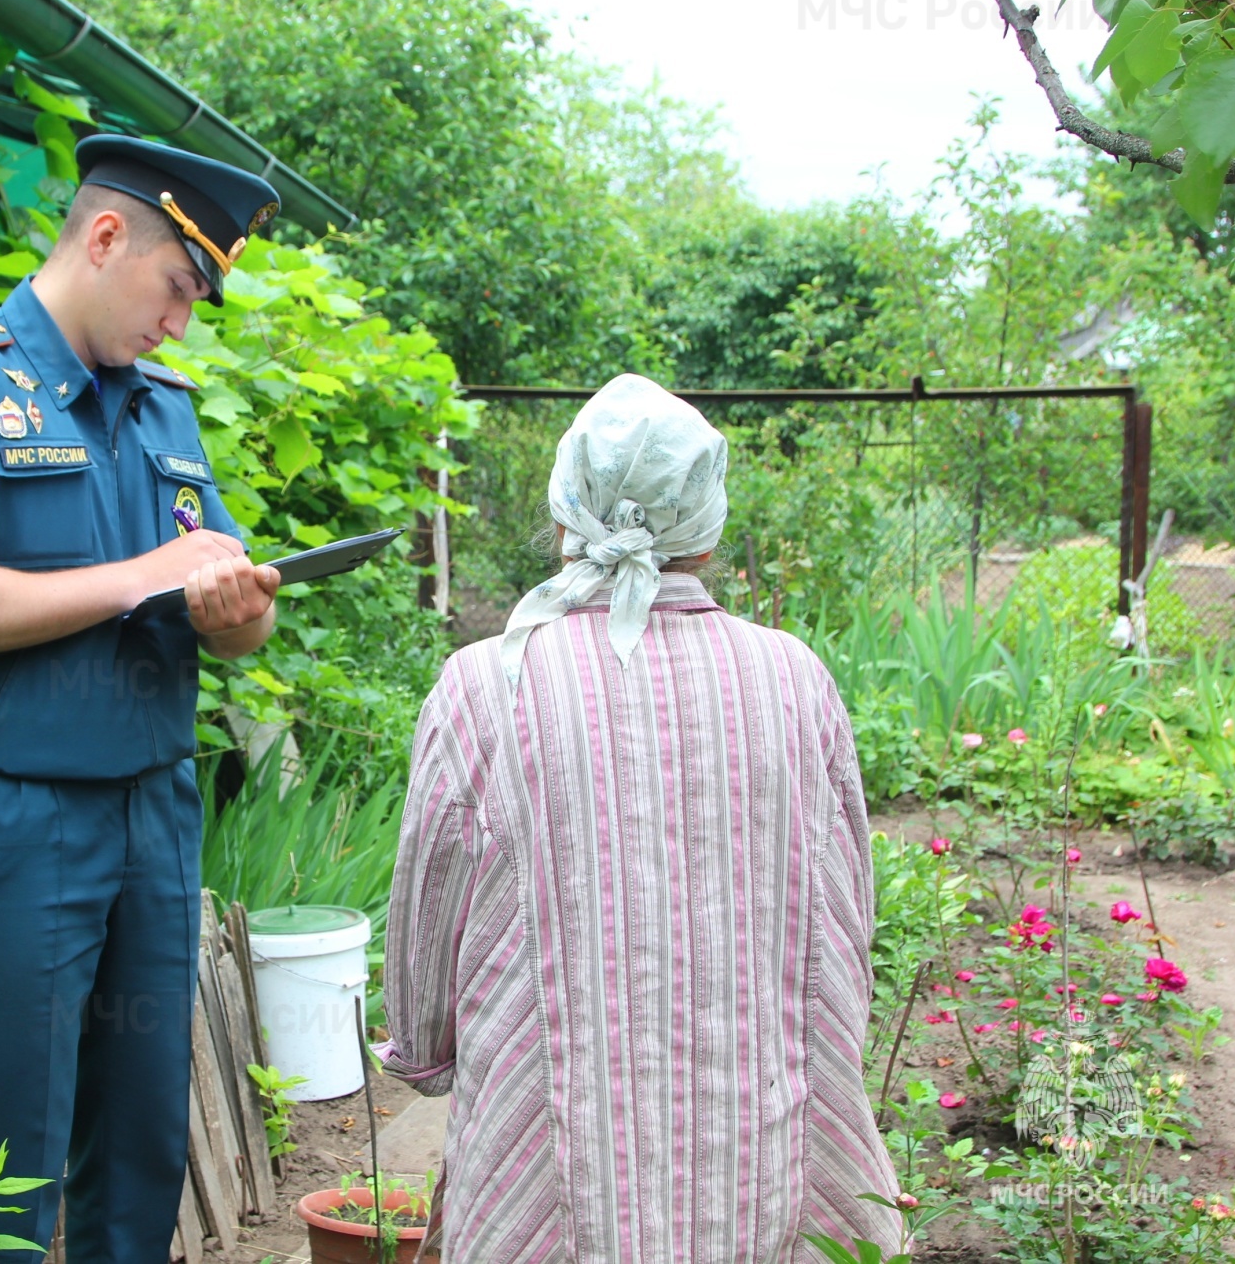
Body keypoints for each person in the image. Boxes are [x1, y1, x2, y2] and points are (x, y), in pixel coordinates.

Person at [0, 135, 283, 1261]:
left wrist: (237, 616)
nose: (180, 322)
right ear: (105, 236)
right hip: (14, 821)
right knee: (3, 1158)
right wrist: (141, 577)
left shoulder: (163, 409)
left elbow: (211, 596)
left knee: (140, 1145)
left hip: (152, 811)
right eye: (177, 287)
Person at [379, 373, 899, 1261]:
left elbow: (428, 909)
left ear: (565, 511)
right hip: (765, 1149)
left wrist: (425, 1051)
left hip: (545, 1168)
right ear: (708, 522)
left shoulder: (485, 683)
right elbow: (846, 918)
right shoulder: (795, 679)